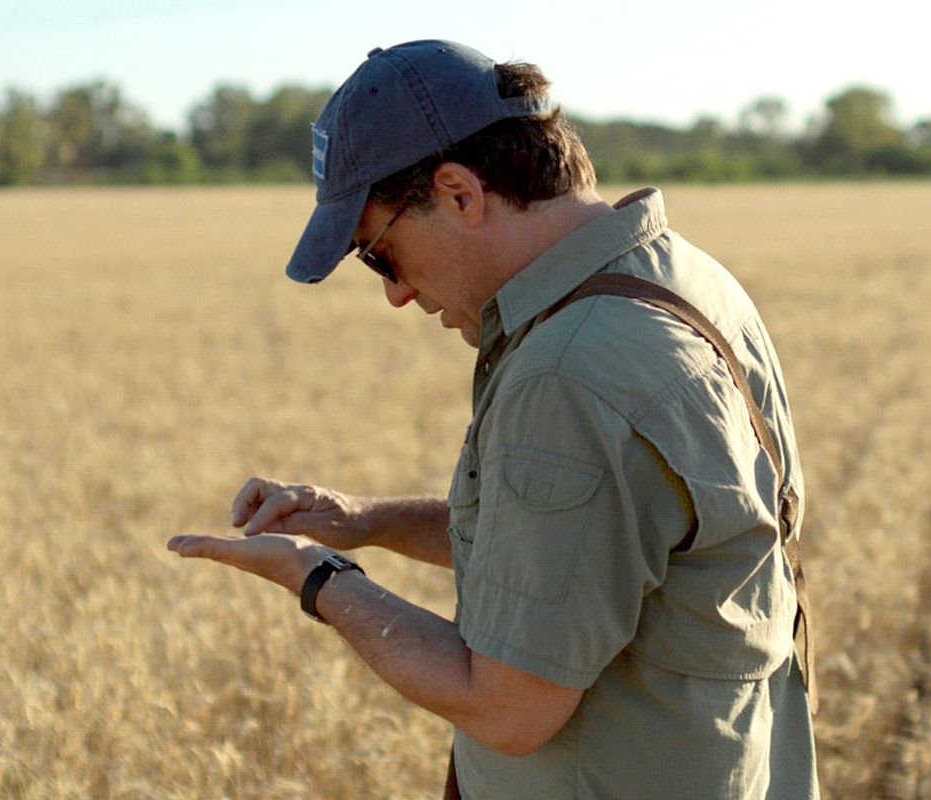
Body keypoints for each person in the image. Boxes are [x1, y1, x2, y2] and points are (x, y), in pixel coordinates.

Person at [167, 39, 818, 799]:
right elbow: (579, 555)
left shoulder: (568, 373)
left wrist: (318, 578)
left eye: (379, 252)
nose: (396, 295)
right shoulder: (681, 281)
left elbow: (509, 708)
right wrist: (361, 519)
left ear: (459, 194)